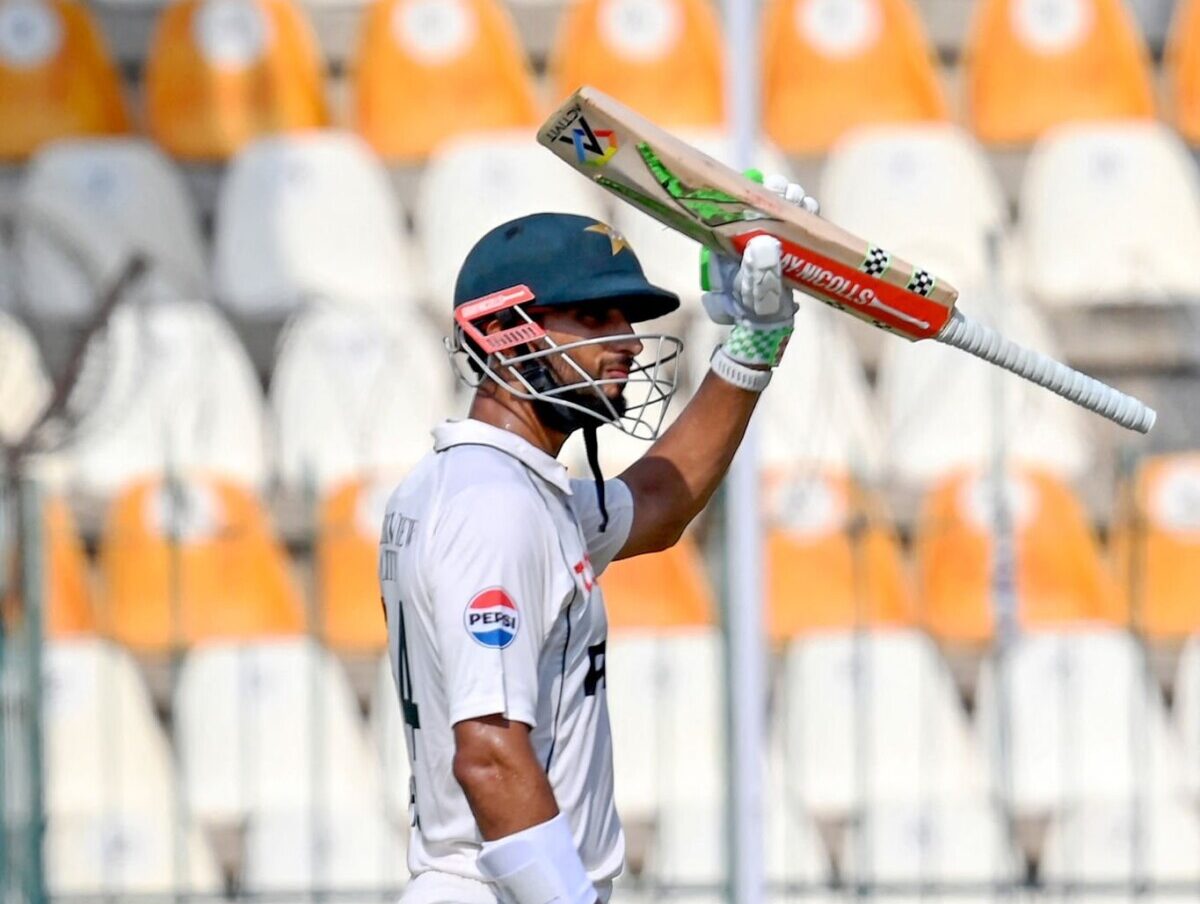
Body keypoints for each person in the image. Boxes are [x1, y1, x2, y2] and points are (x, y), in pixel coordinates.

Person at [379, 176, 819, 904]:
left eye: (627, 317)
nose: (628, 342)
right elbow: (488, 754)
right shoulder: (493, 507)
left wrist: (755, 342)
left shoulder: (501, 488)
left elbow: (658, 505)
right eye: (593, 317)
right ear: (504, 330)